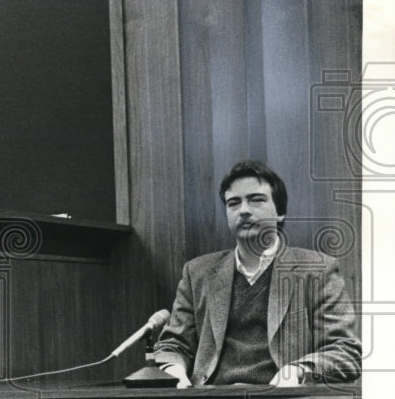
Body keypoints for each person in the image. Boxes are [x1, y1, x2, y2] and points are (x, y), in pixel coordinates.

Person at [152, 160, 361, 387]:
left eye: (256, 200)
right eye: (234, 203)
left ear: (280, 212)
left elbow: (345, 351)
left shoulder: (317, 270)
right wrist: (175, 372)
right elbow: (173, 345)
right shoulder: (198, 272)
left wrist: (298, 371)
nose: (243, 210)